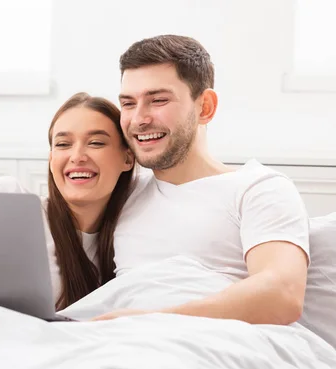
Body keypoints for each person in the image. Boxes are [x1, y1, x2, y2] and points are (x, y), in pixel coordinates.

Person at [92, 34, 310, 325]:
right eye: (129, 104)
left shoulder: (257, 188)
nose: (139, 119)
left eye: (158, 100)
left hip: (203, 346)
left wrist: (147, 320)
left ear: (205, 107)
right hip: (111, 342)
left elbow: (282, 296)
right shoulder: (122, 194)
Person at [0, 92, 135, 310]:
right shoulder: (9, 203)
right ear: (51, 158)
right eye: (63, 144)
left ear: (128, 158)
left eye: (96, 143)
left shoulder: (132, 242)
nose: (77, 156)